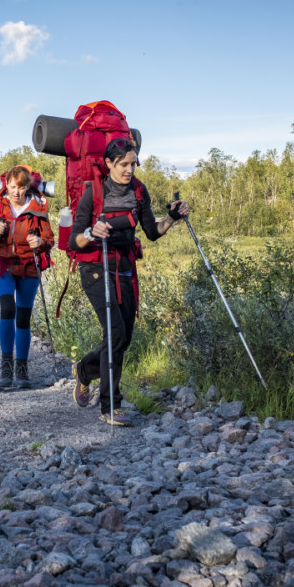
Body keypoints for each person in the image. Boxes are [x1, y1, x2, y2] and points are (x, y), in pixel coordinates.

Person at [68, 137, 189, 426]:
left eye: (132, 163)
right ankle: (111, 406)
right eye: (123, 164)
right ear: (108, 163)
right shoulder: (94, 192)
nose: (129, 169)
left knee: (124, 339)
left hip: (124, 268)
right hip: (96, 268)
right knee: (116, 334)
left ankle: (84, 370)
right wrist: (92, 232)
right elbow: (75, 240)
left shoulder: (138, 191)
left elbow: (151, 231)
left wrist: (171, 217)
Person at [0, 165, 55, 390]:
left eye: (21, 187)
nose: (16, 192)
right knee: (7, 309)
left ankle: (21, 369)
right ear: (6, 186)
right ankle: (6, 366)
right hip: (3, 265)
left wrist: (40, 243)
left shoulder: (38, 208)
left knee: (23, 316)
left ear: (27, 187)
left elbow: (50, 239)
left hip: (29, 266)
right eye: (12, 187)